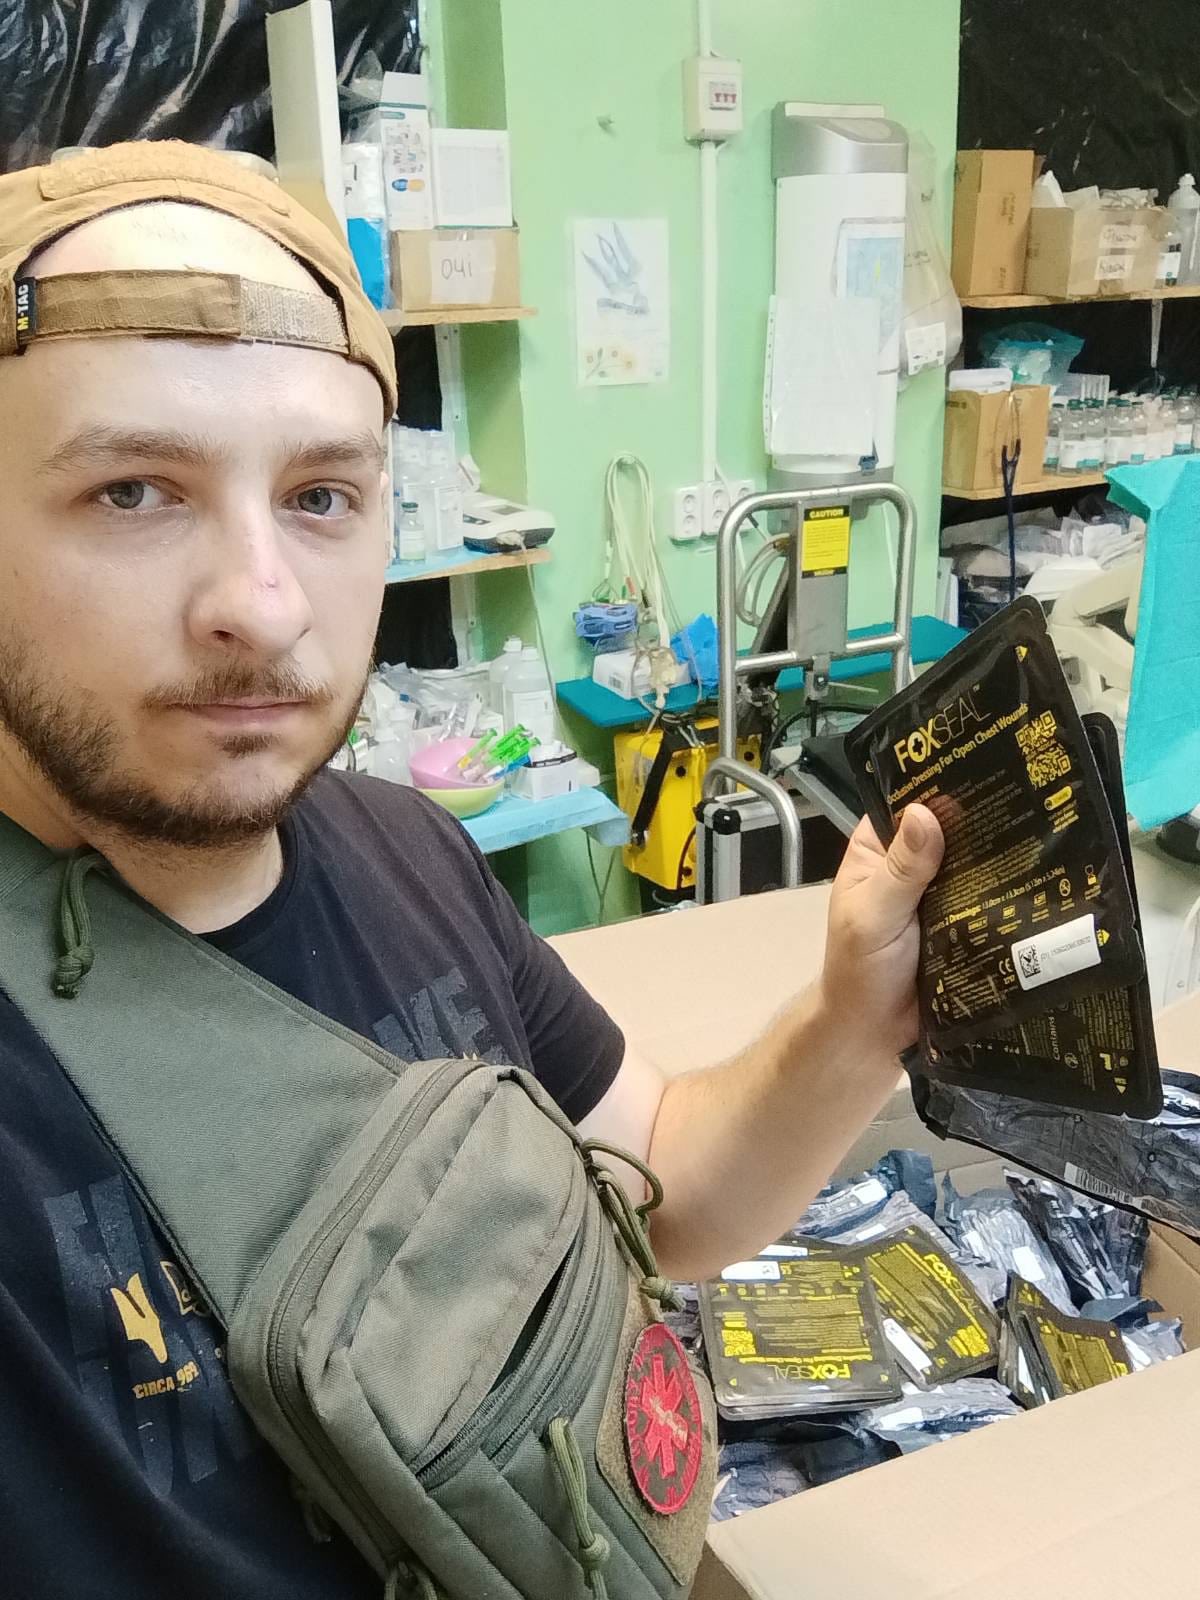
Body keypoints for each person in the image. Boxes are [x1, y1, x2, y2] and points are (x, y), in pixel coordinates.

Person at [0, 143, 943, 1598]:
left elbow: (668, 1191)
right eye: (134, 491)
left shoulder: (407, 848)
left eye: (322, 495)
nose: (260, 603)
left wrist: (856, 1019)